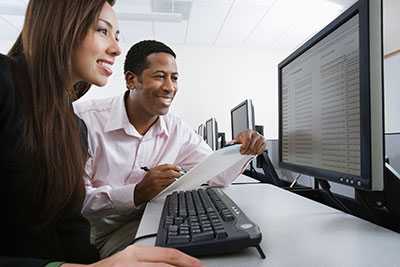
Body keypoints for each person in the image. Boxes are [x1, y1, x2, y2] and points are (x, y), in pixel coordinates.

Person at [0, 1, 203, 267]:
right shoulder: (5, 82)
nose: (117, 49)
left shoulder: (72, 126)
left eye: (116, 36)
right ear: (61, 25)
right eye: (102, 31)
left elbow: (69, 229)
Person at [73, 40, 267, 257]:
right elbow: (74, 200)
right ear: (131, 80)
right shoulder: (85, 119)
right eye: (159, 76)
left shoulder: (176, 128)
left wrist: (241, 150)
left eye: (174, 78)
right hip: (98, 233)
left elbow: (217, 177)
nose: (169, 87)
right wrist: (136, 193)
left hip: (150, 218)